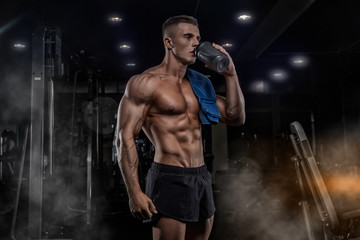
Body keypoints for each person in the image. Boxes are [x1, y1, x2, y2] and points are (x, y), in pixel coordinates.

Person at [115, 15, 245, 240]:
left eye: (198, 37)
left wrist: (230, 75)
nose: (196, 42)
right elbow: (124, 138)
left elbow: (235, 117)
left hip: (201, 175)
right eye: (188, 36)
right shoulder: (145, 83)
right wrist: (134, 192)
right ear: (169, 43)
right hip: (169, 177)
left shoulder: (199, 84)